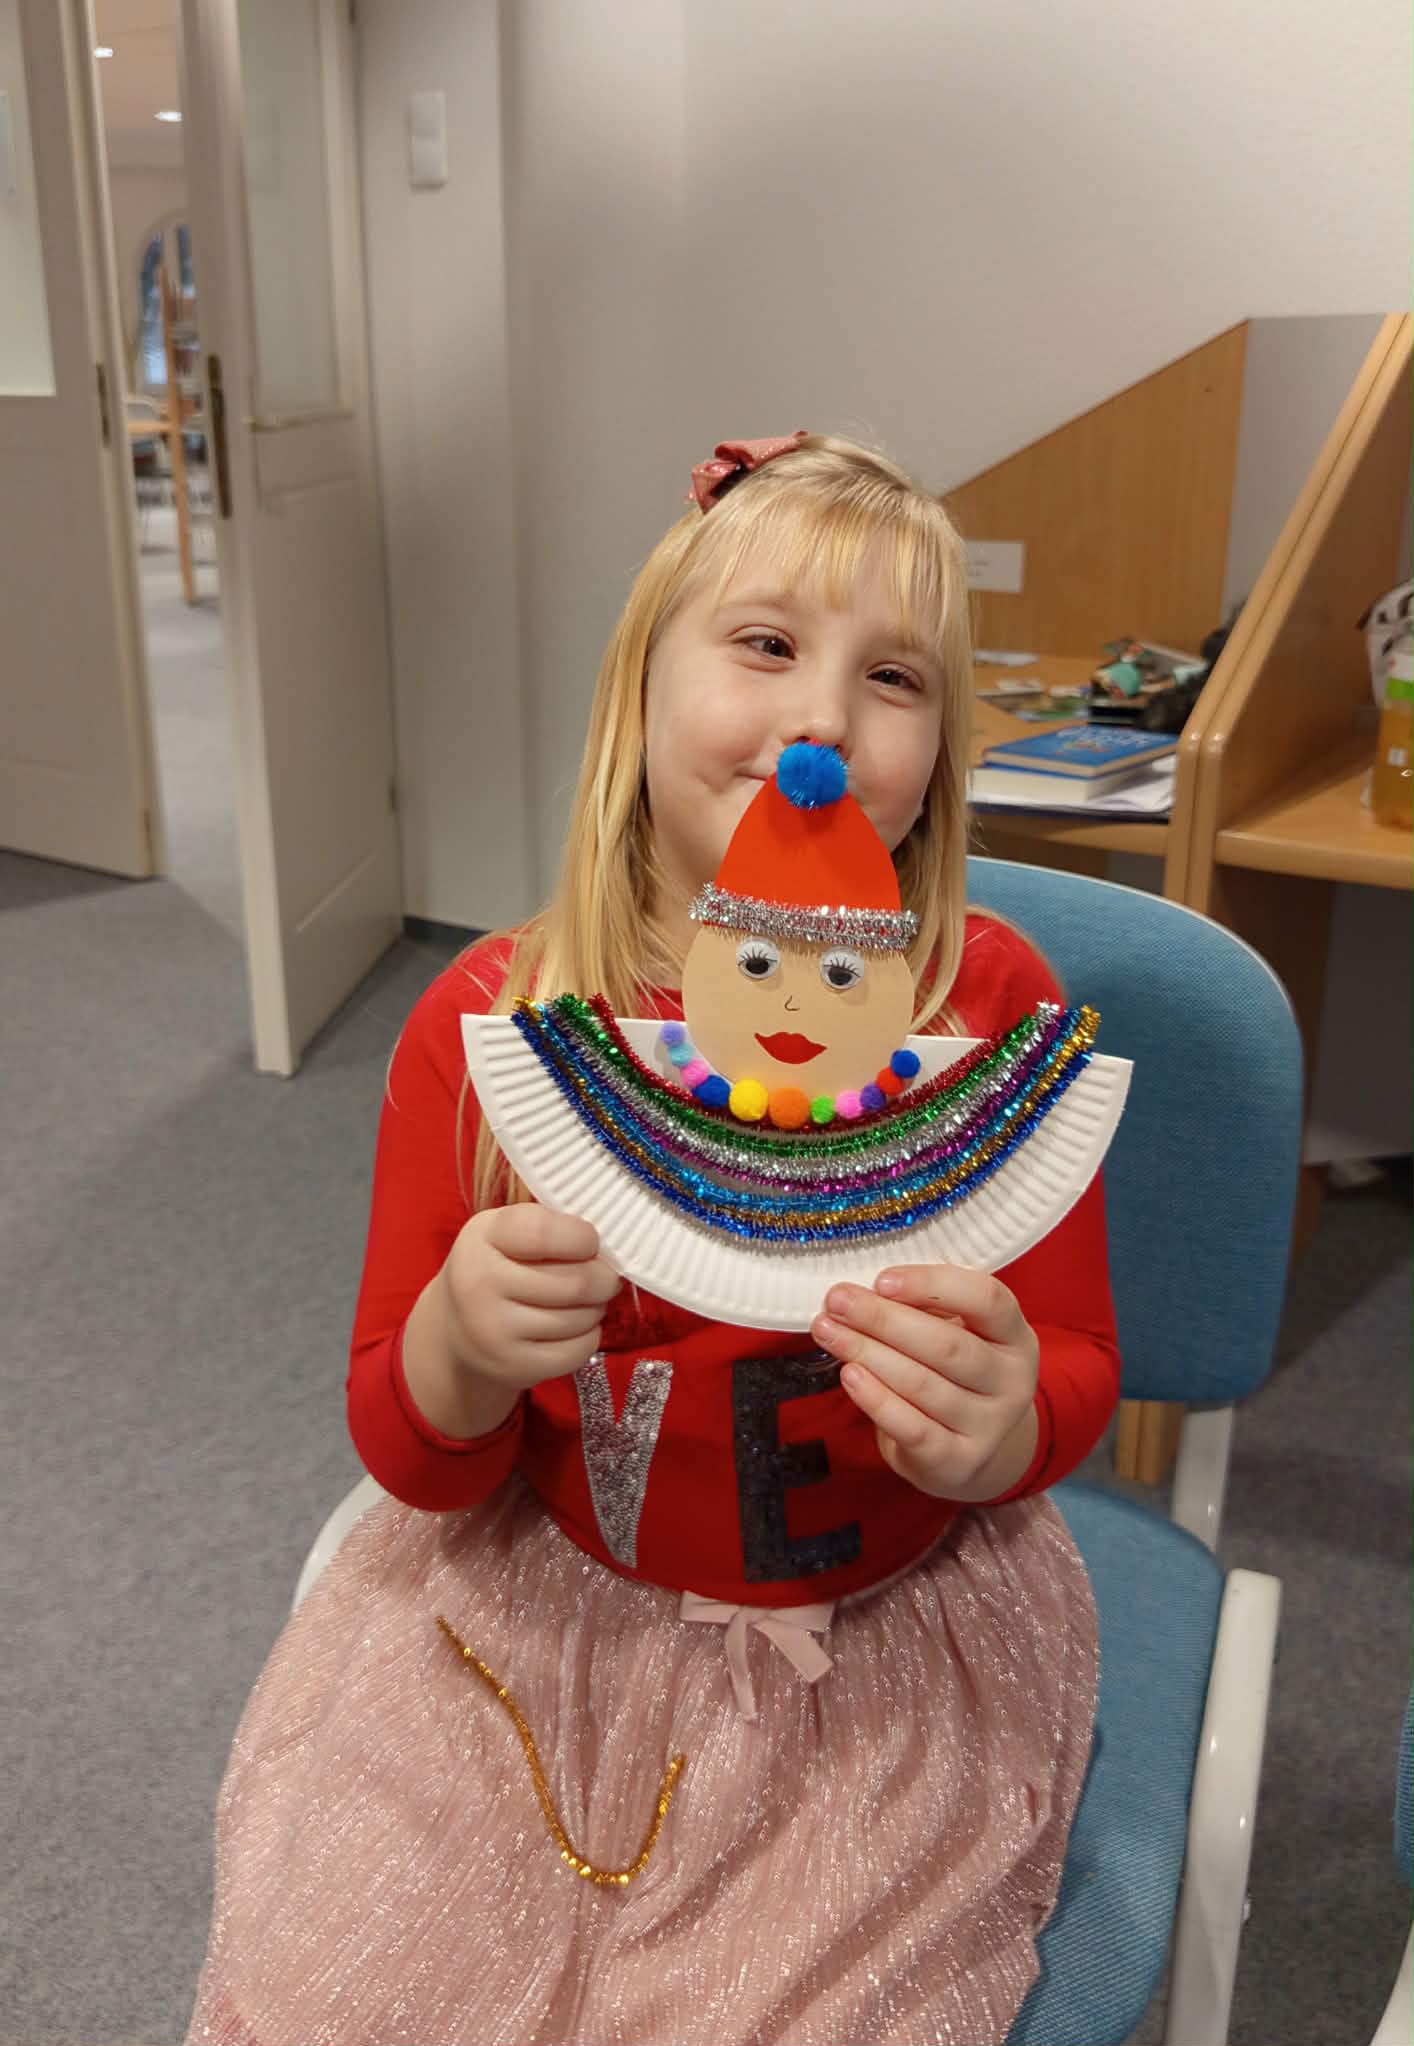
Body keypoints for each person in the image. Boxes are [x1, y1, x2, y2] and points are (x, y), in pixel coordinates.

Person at [185, 432, 1120, 2046]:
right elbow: (408, 1450)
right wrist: (458, 1351)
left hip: (878, 1652)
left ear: (939, 755)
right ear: (637, 690)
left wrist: (1009, 1422)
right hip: (538, 1622)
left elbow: (1079, 1360)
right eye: (763, 643)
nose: (822, 720)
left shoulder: (991, 1007)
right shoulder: (487, 1023)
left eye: (892, 676)